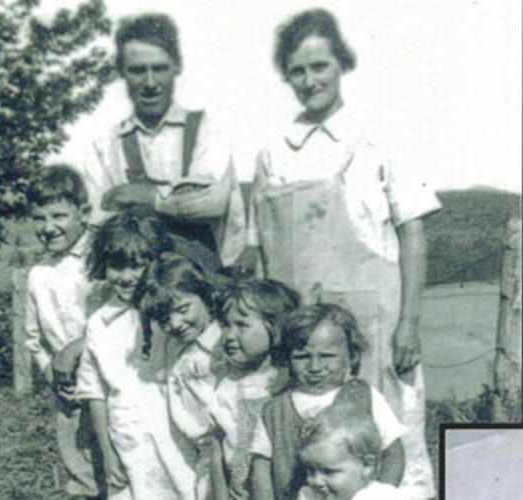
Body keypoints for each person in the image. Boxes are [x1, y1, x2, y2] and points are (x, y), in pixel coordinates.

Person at [240, 9, 440, 498]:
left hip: (376, 328)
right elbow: (260, 250)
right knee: (308, 454)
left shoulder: (379, 137)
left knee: (391, 445)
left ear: (340, 64)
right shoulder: (274, 151)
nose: (310, 81)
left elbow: (413, 233)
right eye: (298, 71)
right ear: (286, 75)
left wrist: (409, 323)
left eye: (320, 67)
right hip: (304, 339)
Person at [84, 13, 246, 269]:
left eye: (159, 68)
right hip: (137, 283)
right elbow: (98, 218)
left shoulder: (207, 129)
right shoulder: (107, 145)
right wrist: (178, 200)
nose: (150, 82)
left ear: (176, 67)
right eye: (138, 70)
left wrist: (146, 198)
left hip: (203, 283)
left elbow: (211, 203)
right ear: (122, 73)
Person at [74, 213, 197, 500]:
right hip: (127, 437)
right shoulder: (99, 323)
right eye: (117, 266)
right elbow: (95, 391)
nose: (127, 277)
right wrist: (106, 451)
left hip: (177, 436)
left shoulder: (170, 316)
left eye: (138, 266)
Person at [249, 303, 405, 500]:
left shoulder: (364, 396)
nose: (315, 366)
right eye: (302, 357)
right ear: (287, 359)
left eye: (327, 356)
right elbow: (260, 467)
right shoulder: (274, 410)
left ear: (351, 356)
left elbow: (393, 452)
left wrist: (383, 492)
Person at [23, 165, 104, 500]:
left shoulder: (102, 260)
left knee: (120, 463)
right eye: (39, 218)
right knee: (80, 470)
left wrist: (78, 349)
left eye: (59, 215)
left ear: (83, 213)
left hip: (111, 386)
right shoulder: (38, 275)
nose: (49, 227)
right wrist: (53, 375)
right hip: (68, 393)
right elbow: (33, 339)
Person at [134, 253, 227, 500]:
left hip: (229, 446)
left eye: (183, 309)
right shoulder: (175, 349)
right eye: (164, 319)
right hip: (202, 453)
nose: (175, 323)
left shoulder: (224, 344)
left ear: (204, 295)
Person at [209, 279, 300, 500]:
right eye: (226, 325)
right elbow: (217, 446)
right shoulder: (228, 384)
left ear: (275, 327)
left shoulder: (289, 383)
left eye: (242, 325)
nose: (229, 336)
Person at [297, 380, 411, 500]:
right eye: (310, 471)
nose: (317, 481)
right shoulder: (309, 496)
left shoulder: (381, 496)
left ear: (367, 466)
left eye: (329, 472)